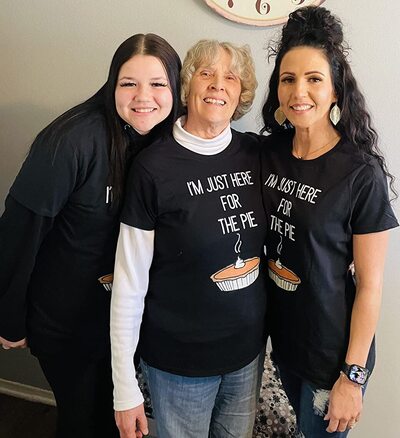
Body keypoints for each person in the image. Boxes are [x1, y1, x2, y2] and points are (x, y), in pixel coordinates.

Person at [0, 33, 182, 438]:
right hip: (66, 323)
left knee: (118, 420)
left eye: (158, 84)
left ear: (175, 88)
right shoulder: (71, 142)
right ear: (112, 84)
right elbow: (19, 230)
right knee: (83, 421)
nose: (143, 97)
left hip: (125, 322)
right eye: (129, 83)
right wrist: (9, 317)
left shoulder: (172, 140)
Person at [111, 39, 267, 438]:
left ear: (241, 93)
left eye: (230, 77)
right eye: (206, 74)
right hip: (179, 364)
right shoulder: (153, 167)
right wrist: (124, 386)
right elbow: (129, 282)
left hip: (246, 357)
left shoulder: (256, 153)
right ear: (187, 86)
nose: (218, 85)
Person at [260, 6, 398, 437]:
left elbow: (371, 285)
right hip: (285, 344)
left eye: (314, 79)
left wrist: (352, 377)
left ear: (336, 90)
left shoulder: (360, 173)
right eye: (288, 79)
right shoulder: (269, 154)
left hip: (332, 357)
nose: (299, 91)